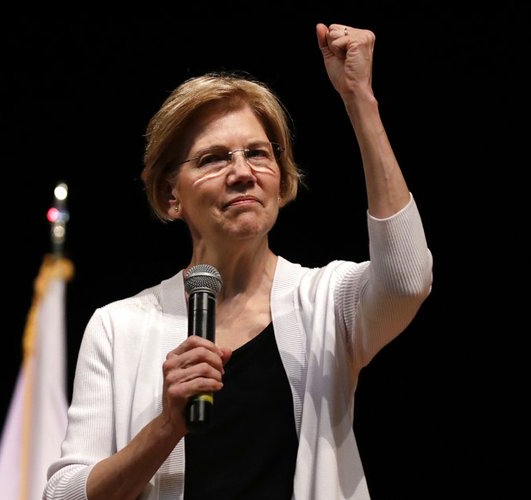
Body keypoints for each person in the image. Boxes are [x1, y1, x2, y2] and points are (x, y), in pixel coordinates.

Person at [44, 22, 433, 500]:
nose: (243, 173)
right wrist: (166, 428)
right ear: (171, 196)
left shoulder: (325, 302)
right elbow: (63, 494)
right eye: (213, 159)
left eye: (257, 154)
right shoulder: (118, 327)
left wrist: (359, 99)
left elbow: (407, 277)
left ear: (281, 177)